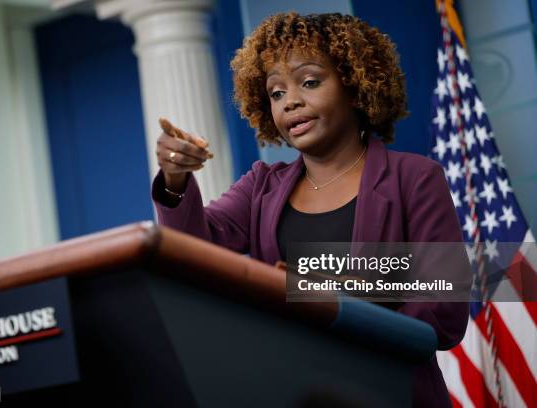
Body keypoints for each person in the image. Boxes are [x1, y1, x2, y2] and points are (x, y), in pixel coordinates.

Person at [151, 12, 468, 408]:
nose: (291, 102)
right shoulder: (260, 186)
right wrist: (175, 178)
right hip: (292, 392)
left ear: (354, 85)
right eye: (276, 93)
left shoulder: (415, 178)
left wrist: (328, 296)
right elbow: (193, 250)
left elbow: (444, 309)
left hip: (392, 394)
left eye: (310, 82)